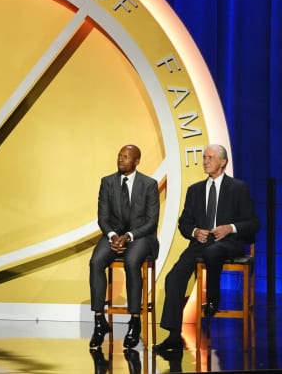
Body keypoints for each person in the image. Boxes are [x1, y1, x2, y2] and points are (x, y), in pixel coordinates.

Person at [153, 144, 260, 352]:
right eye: (204, 158)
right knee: (173, 277)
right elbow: (184, 223)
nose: (205, 161)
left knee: (214, 252)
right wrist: (195, 232)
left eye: (210, 158)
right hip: (200, 244)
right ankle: (174, 336)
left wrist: (230, 228)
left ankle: (212, 299)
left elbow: (254, 223)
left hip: (228, 243)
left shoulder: (238, 188)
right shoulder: (195, 190)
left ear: (223, 162)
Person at [88, 144, 160, 349]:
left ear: (136, 161)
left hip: (141, 236)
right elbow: (102, 218)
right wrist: (113, 236)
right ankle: (99, 320)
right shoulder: (107, 182)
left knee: (131, 261)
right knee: (96, 261)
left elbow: (151, 222)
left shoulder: (149, 184)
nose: (121, 159)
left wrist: (128, 236)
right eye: (119, 156)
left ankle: (134, 320)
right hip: (113, 235)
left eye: (126, 157)